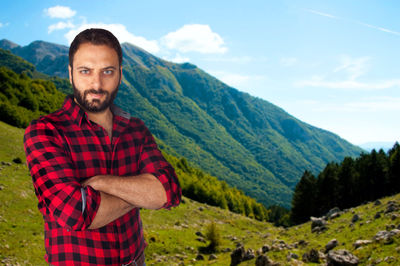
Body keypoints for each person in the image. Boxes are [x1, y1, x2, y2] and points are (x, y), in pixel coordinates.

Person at [23, 28, 181, 265]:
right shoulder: (45, 132)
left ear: (120, 75)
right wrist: (140, 193)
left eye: (107, 72)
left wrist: (102, 183)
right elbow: (75, 212)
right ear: (70, 74)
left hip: (136, 259)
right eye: (85, 71)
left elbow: (169, 190)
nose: (96, 84)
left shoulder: (135, 129)